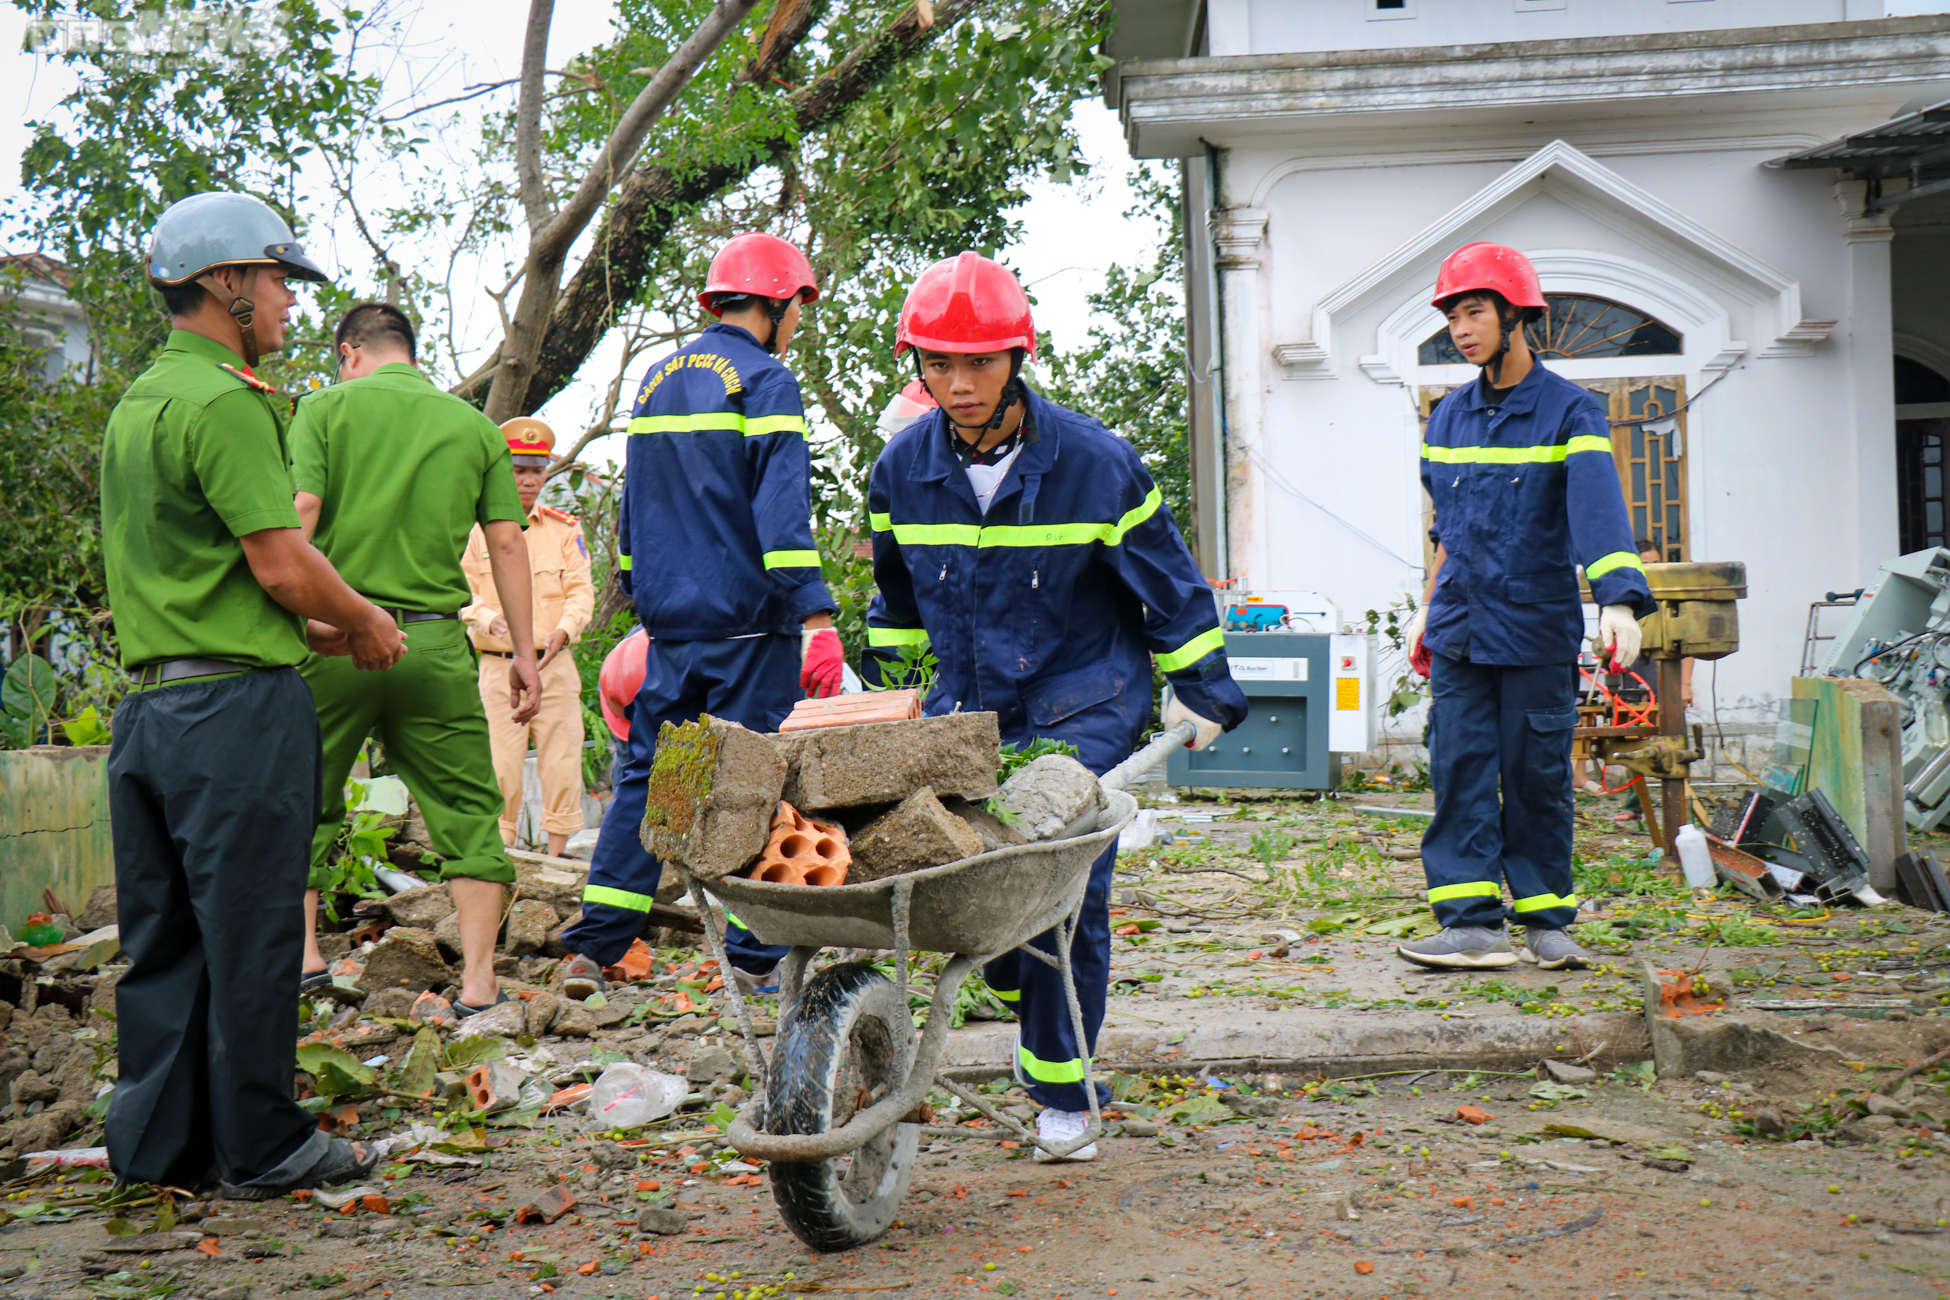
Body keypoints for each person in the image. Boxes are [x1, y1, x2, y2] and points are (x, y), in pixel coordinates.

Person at [863, 252, 1247, 1162]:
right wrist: (879, 706)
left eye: (980, 363)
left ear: (1018, 359)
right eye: (939, 364)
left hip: (1084, 704)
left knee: (1060, 895)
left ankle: (1063, 1094)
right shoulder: (901, 471)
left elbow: (1171, 589)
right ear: (916, 364)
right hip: (969, 716)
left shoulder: (1098, 465)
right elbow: (897, 606)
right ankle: (1027, 1004)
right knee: (986, 901)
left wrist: (1205, 690)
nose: (959, 384)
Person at [101, 191, 406, 1197]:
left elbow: (208, 579)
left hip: (151, 713)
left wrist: (317, 624)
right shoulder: (227, 402)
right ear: (223, 280)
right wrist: (363, 618)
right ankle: (267, 1147)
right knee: (254, 931)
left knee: (165, 942)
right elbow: (280, 564)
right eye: (277, 277)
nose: (287, 299)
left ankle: (160, 1149)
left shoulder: (140, 403)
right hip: (234, 714)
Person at [557, 233, 843, 1001]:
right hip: (749, 632)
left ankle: (594, 947)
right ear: (776, 304)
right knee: (760, 781)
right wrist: (815, 614)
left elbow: (633, 511)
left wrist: (639, 590)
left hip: (672, 632)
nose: (796, 325)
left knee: (661, 783)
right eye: (797, 310)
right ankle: (754, 954)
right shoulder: (767, 380)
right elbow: (781, 516)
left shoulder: (656, 379)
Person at [1399, 242, 1654, 973]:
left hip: (1535, 628)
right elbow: (1447, 529)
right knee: (1460, 771)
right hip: (1460, 628)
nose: (1461, 329)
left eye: (1474, 311)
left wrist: (1619, 601)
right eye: (1453, 316)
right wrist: (1426, 608)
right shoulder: (1448, 418)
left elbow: (1597, 511)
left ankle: (1545, 920)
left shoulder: (1571, 411)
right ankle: (1471, 925)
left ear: (1516, 316)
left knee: (1537, 774)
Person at [291, 302, 542, 1015]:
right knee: (467, 809)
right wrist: (524, 655)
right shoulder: (474, 427)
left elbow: (302, 512)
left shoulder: (323, 409)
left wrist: (293, 618)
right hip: (432, 646)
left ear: (349, 353)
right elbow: (508, 542)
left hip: (334, 638)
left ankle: (306, 960)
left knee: (302, 798)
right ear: (409, 350)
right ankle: (479, 984)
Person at [460, 417, 595, 856]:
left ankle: (556, 857)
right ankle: (502, 856)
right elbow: (459, 592)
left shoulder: (564, 529)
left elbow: (581, 592)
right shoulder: (475, 531)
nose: (529, 480)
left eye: (537, 470)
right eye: (519, 470)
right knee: (500, 764)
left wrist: (565, 630)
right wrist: (487, 619)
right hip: (498, 668)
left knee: (562, 760)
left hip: (554, 663)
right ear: (502, 471)